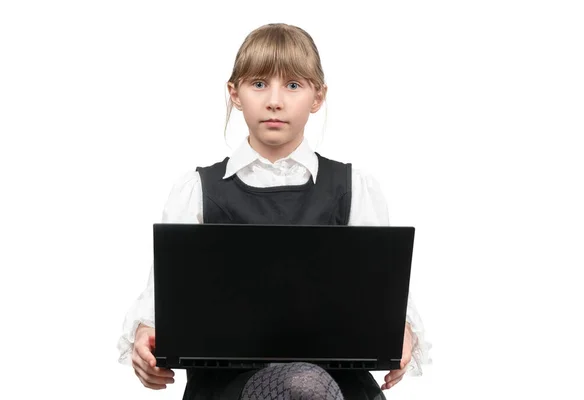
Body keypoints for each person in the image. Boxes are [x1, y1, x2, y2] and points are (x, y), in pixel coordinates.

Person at [117, 23, 432, 400]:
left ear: (318, 97)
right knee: (300, 385)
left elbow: (387, 297)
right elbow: (161, 300)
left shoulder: (353, 187)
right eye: (259, 84)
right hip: (229, 387)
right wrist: (143, 339)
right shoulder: (198, 190)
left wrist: (403, 332)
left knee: (306, 385)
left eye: (294, 85)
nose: (275, 101)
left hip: (338, 384)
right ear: (235, 93)